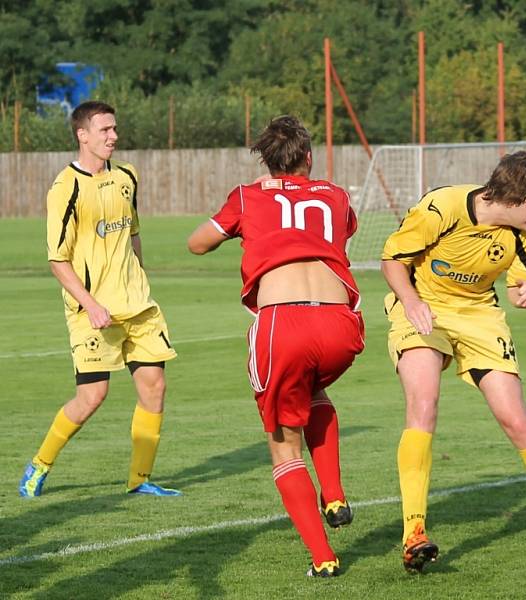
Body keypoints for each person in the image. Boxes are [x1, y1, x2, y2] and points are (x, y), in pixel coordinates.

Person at [381, 151, 526, 574]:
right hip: (423, 306)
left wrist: (525, 292)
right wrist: (410, 302)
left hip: (480, 315)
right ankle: (414, 532)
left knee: (517, 420)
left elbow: (521, 279)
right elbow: (392, 260)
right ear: (516, 195)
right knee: (423, 404)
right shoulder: (442, 207)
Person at [187, 115, 364, 578]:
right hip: (340, 324)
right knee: (315, 392)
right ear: (308, 157)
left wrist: (255, 200)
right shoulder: (336, 194)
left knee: (284, 448)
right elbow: (342, 231)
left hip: (283, 323)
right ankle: (336, 493)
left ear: (265, 161)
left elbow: (197, 244)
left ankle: (324, 559)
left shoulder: (248, 195)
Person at [19, 101, 180, 498]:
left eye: (115, 129)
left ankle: (139, 479)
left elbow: (134, 232)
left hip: (137, 306)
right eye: (105, 129)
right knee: (92, 396)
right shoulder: (65, 188)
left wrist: (140, 276)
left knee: (154, 386)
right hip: (93, 311)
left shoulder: (127, 177)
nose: (114, 136)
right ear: (82, 135)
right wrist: (90, 304)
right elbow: (58, 260)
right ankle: (39, 465)